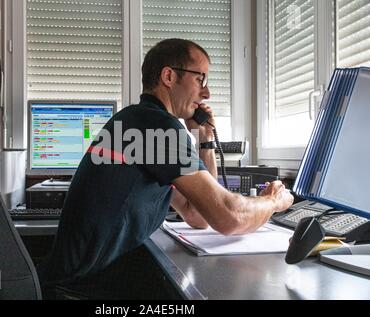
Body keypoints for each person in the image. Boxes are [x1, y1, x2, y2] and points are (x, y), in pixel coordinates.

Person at [38, 38, 294, 299]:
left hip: (78, 283)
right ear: (169, 76)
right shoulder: (156, 126)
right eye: (200, 79)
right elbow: (228, 216)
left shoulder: (138, 121)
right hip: (80, 292)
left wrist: (204, 138)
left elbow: (198, 215)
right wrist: (273, 201)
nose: (207, 93)